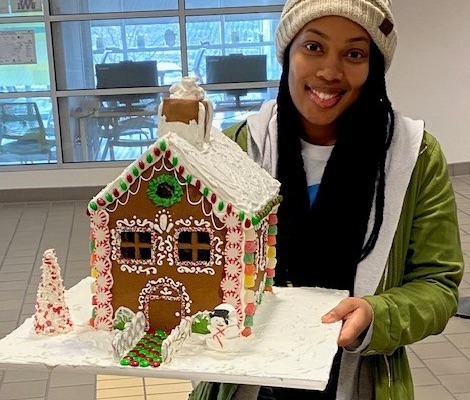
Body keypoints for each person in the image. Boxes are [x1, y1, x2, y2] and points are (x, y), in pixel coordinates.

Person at [190, 0, 464, 399]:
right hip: (243, 379)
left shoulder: (414, 157)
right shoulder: (238, 148)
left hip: (357, 377)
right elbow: (196, 264)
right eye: (313, 47)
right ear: (288, 52)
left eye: (354, 53)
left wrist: (377, 315)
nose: (330, 72)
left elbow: (437, 285)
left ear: (374, 67)